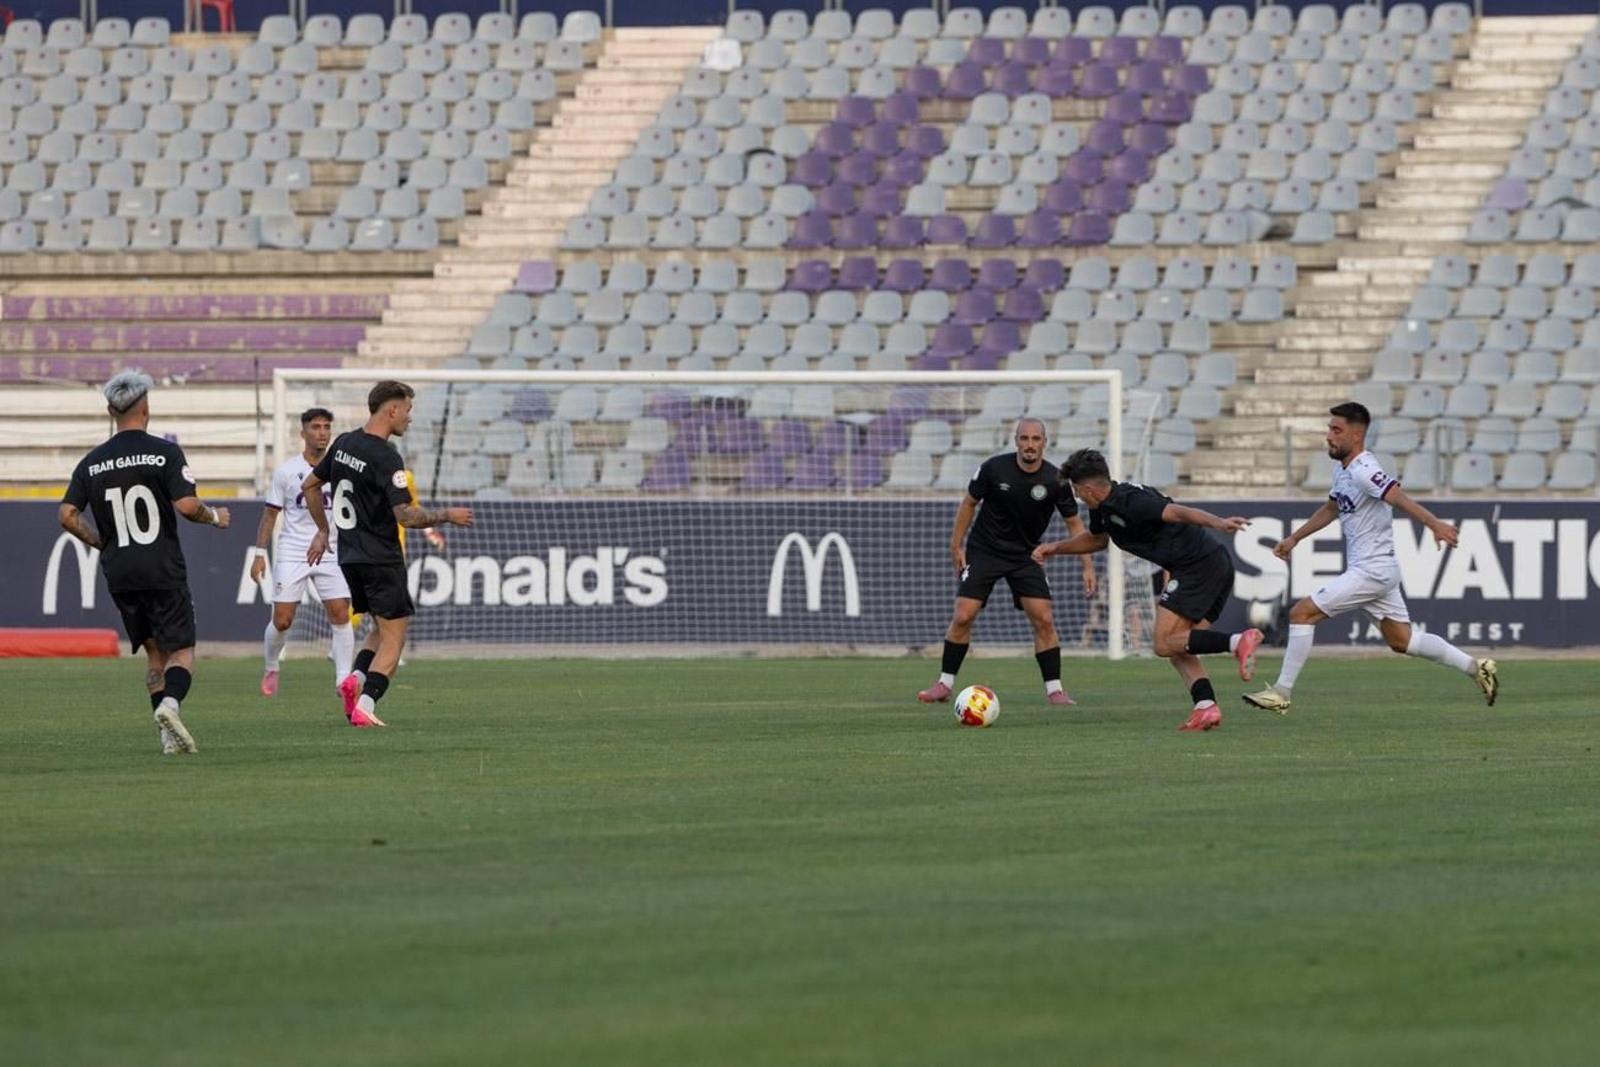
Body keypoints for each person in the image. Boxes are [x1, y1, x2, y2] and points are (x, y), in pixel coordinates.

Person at [1243, 402, 1497, 713]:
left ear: (1357, 434)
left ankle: (1281, 692)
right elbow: (1332, 508)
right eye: (1329, 429)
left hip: (1372, 572)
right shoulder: (1343, 469)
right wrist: (1295, 538)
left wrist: (1434, 524)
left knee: (1300, 613)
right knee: (1402, 641)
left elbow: (1396, 495)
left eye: (1336, 430)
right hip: (1378, 571)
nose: (1329, 436)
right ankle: (1476, 668)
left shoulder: (1365, 470)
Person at [57, 372, 231, 755]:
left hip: (121, 571)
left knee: (154, 653)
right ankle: (170, 706)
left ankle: (167, 739)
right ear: (146, 408)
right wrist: (215, 517)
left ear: (110, 411)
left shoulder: (92, 462)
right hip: (162, 567)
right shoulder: (164, 452)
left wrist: (101, 542)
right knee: (182, 650)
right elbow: (186, 506)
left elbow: (67, 515)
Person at [1033, 449, 1263, 731]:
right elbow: (1096, 541)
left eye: (1077, 489)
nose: (1076, 495)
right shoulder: (1102, 509)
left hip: (1197, 566)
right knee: (1181, 645)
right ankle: (1206, 707)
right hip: (1208, 565)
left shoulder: (1131, 501)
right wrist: (1055, 548)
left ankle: (1238, 642)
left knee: (1163, 643)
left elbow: (1177, 511)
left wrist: (1218, 522)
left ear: (1089, 488)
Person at [302, 381, 472, 727]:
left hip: (349, 557)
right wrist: (446, 515)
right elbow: (406, 517)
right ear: (391, 409)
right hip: (381, 556)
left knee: (379, 628)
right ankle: (366, 703)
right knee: (396, 637)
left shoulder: (344, 442)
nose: (409, 418)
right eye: (407, 409)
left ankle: (356, 680)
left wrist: (323, 530)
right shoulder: (386, 457)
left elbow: (310, 486)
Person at [917, 418, 1098, 707]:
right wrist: (956, 545)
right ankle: (944, 684)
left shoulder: (1056, 480)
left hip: (1026, 556)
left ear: (1044, 443)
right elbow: (968, 503)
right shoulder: (993, 468)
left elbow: (1075, 524)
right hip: (985, 551)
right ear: (1016, 441)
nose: (1030, 444)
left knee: (1044, 618)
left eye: (1036, 439)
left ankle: (1055, 690)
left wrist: (1087, 565)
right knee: (963, 616)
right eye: (1024, 438)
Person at [249, 407, 354, 698]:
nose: (322, 432)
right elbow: (270, 515)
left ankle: (342, 680)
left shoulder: (341, 469)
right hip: (294, 550)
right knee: (282, 620)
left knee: (340, 612)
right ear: (303, 432)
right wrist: (259, 553)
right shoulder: (286, 471)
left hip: (331, 548)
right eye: (316, 427)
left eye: (326, 427)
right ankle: (272, 666)